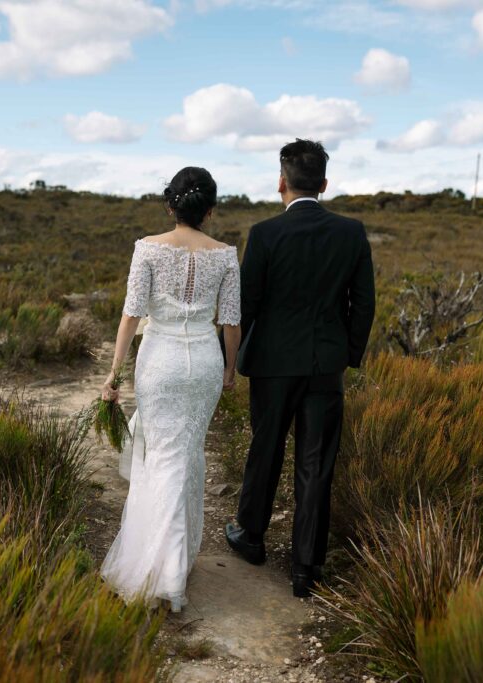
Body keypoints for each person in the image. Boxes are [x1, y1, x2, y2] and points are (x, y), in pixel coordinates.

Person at [224, 139, 375, 598]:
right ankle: (306, 568)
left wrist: (229, 360)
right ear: (324, 184)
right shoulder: (351, 232)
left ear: (281, 183)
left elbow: (247, 302)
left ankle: (251, 537)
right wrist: (346, 353)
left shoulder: (265, 233)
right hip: (325, 365)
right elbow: (364, 302)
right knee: (316, 464)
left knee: (265, 448)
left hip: (271, 364)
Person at [100, 166, 241, 612]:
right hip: (203, 361)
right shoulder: (226, 255)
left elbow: (130, 315)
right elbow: (231, 322)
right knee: (187, 455)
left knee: (162, 455)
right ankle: (174, 565)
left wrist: (113, 372)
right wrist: (230, 370)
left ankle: (158, 564)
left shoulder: (147, 249)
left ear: (170, 204)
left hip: (158, 361)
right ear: (211, 210)